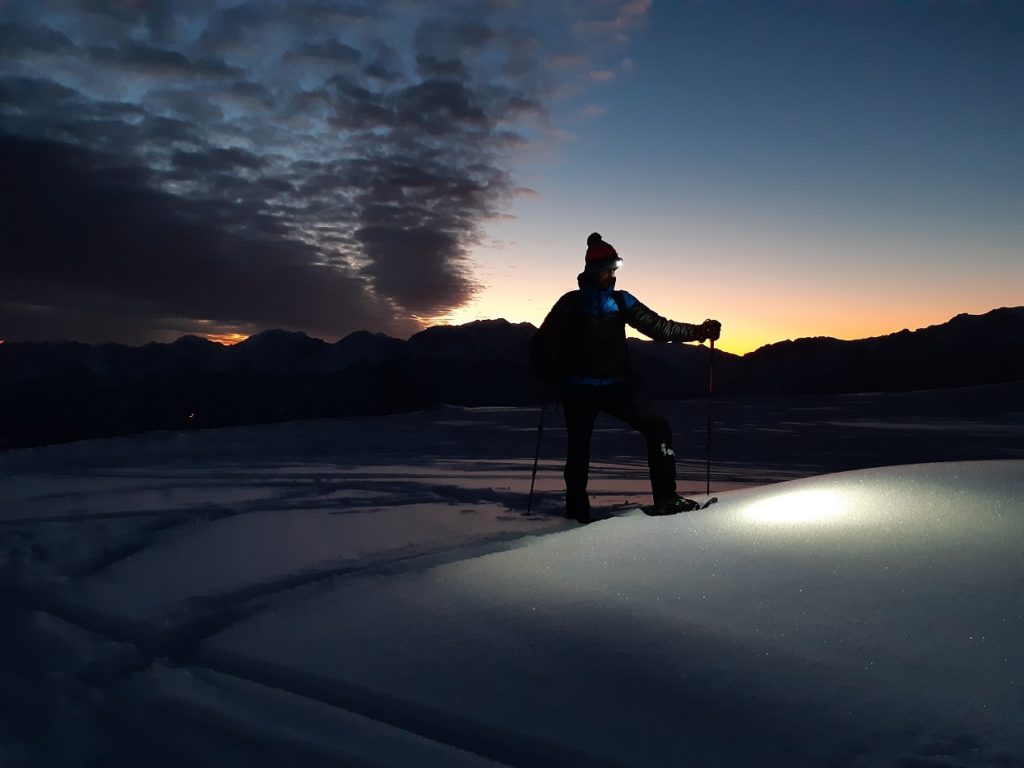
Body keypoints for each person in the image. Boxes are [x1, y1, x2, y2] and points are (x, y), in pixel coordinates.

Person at [530, 232, 721, 524]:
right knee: (579, 450)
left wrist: (699, 331)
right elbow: (542, 343)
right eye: (608, 269)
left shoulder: (621, 301)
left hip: (615, 386)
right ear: (593, 270)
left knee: (657, 427)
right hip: (579, 388)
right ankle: (577, 514)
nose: (613, 274)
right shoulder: (571, 303)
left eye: (615, 267)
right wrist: (548, 368)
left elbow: (659, 327)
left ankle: (666, 499)